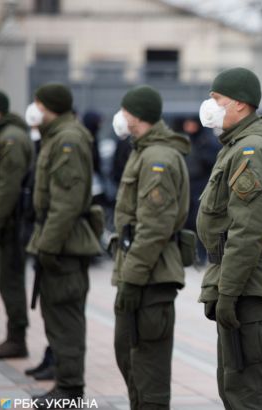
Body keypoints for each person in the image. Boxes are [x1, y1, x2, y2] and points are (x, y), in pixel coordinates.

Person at [196, 67, 262, 409]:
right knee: (233, 381)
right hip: (238, 278)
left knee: (246, 387)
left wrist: (229, 290)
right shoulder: (237, 145)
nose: (210, 106)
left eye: (217, 99)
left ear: (239, 103)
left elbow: (248, 230)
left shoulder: (252, 149)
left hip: (246, 282)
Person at [110, 85, 190, 409]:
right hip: (139, 271)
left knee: (148, 369)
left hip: (150, 277)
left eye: (125, 111)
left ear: (137, 115)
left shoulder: (158, 157)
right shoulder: (143, 150)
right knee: (129, 357)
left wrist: (132, 278)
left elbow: (154, 227)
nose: (120, 117)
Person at [25, 83, 102, 402]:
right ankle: (65, 383)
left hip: (64, 244)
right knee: (55, 314)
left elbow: (66, 202)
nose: (34, 110)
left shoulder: (68, 139)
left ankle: (70, 390)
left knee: (65, 316)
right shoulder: (56, 135)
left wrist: (48, 245)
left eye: (39, 104)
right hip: (57, 240)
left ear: (52, 107)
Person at [0, 90, 33, 359]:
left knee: (10, 280)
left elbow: (7, 187)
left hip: (9, 225)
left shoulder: (11, 138)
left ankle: (17, 338)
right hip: (6, 221)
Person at [182, 116, 220, 265]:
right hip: (188, 186)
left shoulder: (206, 141)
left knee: (201, 221)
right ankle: (191, 253)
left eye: (191, 124)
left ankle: (202, 255)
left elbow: (213, 161)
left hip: (202, 186)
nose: (189, 127)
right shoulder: (186, 142)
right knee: (188, 222)